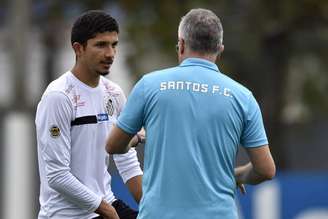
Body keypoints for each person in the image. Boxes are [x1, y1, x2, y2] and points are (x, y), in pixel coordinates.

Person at [106, 8, 276, 219]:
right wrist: (237, 175)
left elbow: (113, 146)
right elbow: (265, 170)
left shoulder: (149, 85)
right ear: (220, 49)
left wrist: (136, 139)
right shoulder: (243, 97)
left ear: (182, 44)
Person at [35, 10, 143, 219]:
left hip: (107, 203)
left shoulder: (114, 93)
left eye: (114, 44)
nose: (110, 53)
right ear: (78, 48)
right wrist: (107, 211)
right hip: (67, 214)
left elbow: (126, 160)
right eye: (101, 45)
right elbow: (57, 175)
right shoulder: (58, 96)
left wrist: (153, 208)